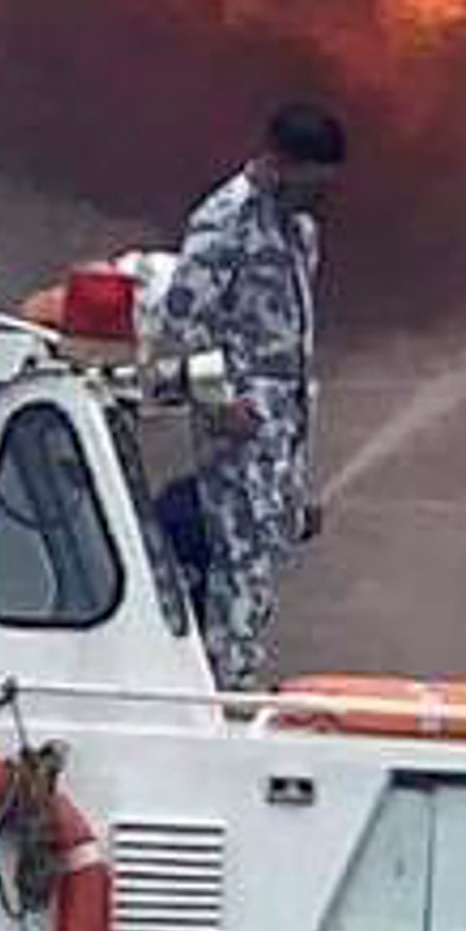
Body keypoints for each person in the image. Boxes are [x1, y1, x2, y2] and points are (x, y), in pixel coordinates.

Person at [148, 97, 346, 689]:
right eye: (311, 182)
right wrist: (218, 400)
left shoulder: (299, 229)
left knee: (268, 548)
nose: (318, 197)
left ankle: (238, 664)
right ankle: (225, 682)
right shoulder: (225, 220)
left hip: (285, 413)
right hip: (240, 411)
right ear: (280, 164)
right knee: (240, 553)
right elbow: (183, 320)